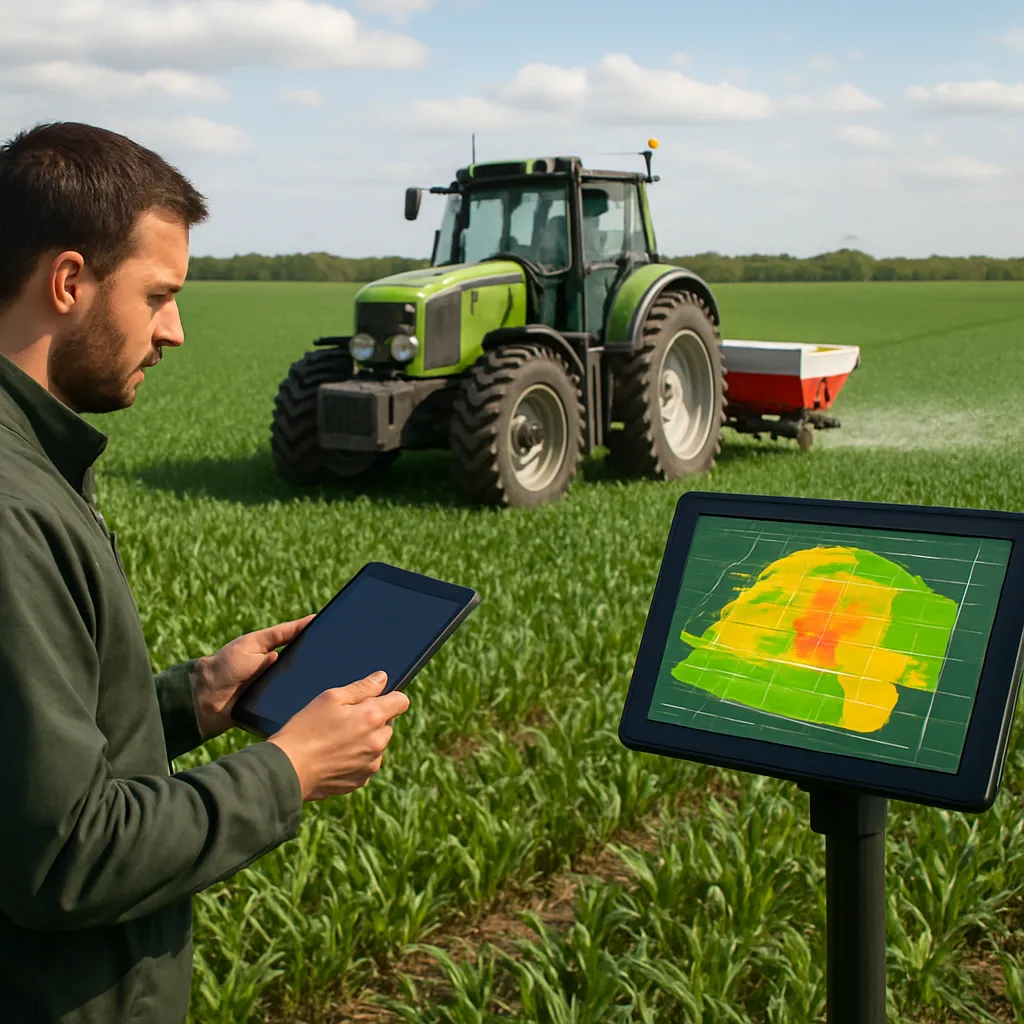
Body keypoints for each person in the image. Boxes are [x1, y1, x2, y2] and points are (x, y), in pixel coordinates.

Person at [0, 121, 412, 1023]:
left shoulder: (33, 461)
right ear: (69, 282)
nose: (176, 331)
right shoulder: (12, 507)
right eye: (157, 296)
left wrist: (197, 698)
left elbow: (26, 764)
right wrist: (289, 768)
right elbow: (65, 858)